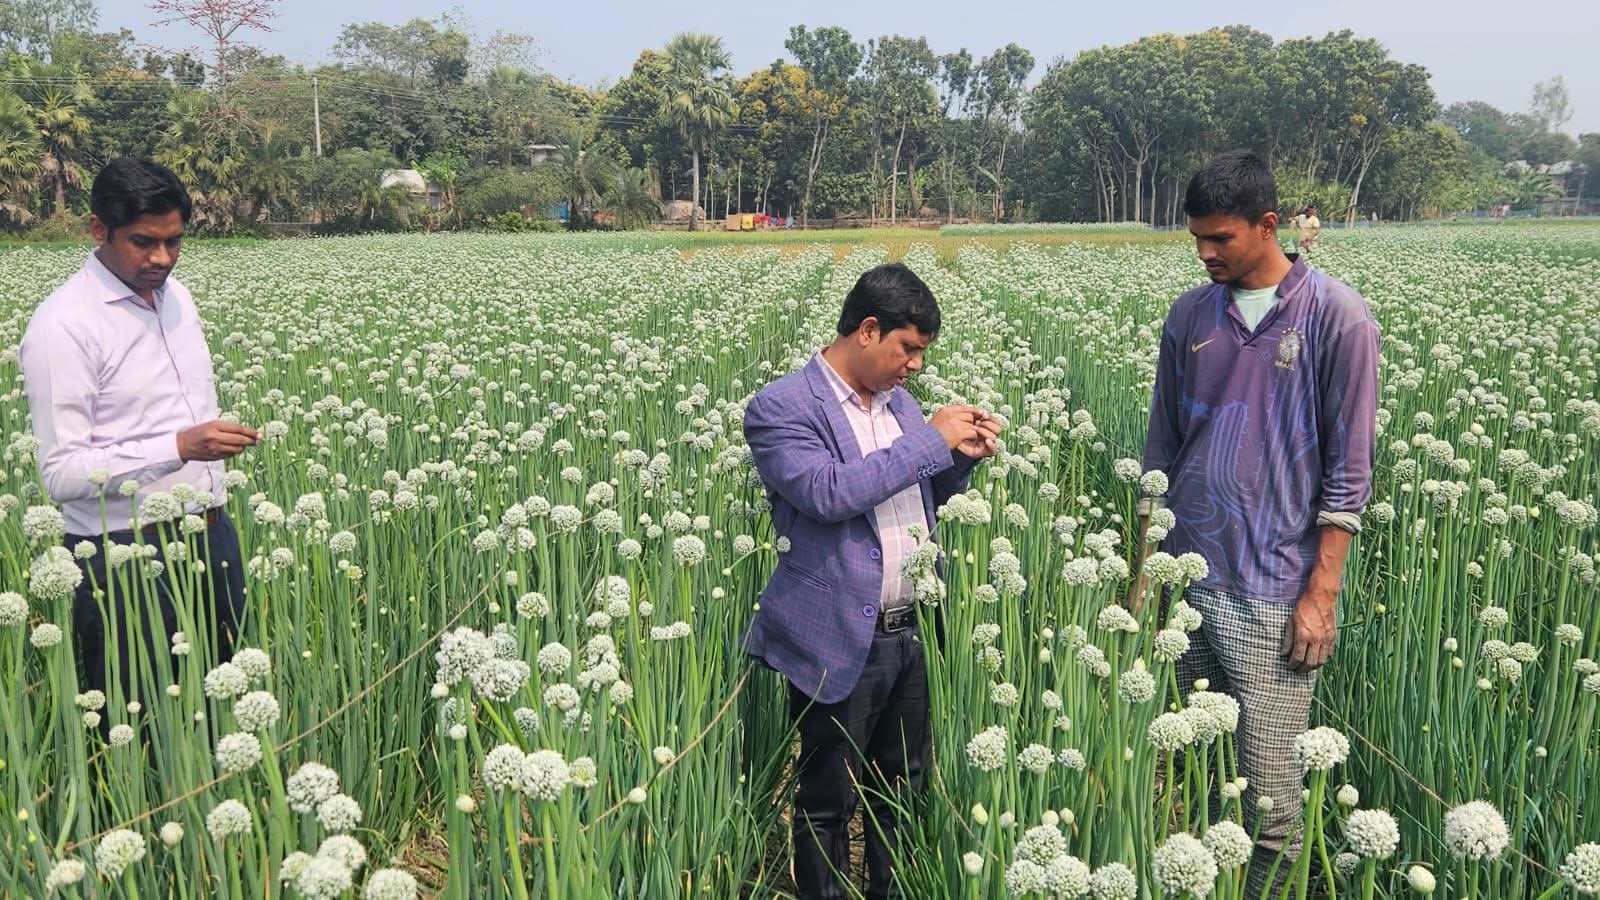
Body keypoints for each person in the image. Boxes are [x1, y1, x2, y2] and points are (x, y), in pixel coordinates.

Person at [1136, 150, 1379, 894]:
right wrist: (1146, 574)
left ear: (1268, 225)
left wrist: (1322, 593)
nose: (1205, 254)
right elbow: (1160, 448)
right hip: (1188, 576)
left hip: (1275, 590)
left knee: (1270, 805)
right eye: (1197, 240)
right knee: (1202, 781)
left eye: (1221, 239)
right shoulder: (1190, 314)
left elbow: (1349, 471)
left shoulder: (1337, 316)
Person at [742, 263, 1000, 899]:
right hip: (838, 635)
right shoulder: (781, 407)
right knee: (827, 800)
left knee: (903, 794)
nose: (915, 365)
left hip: (913, 631)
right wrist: (929, 442)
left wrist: (956, 460)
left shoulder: (901, 404)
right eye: (907, 348)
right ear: (866, 330)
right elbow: (829, 493)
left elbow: (915, 493)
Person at [20, 157, 260, 719]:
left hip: (211, 536)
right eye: (144, 242)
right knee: (146, 730)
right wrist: (178, 448)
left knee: (226, 719)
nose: (162, 258)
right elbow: (61, 474)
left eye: (174, 242)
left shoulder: (177, 298)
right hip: (124, 558)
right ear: (98, 229)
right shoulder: (63, 326)